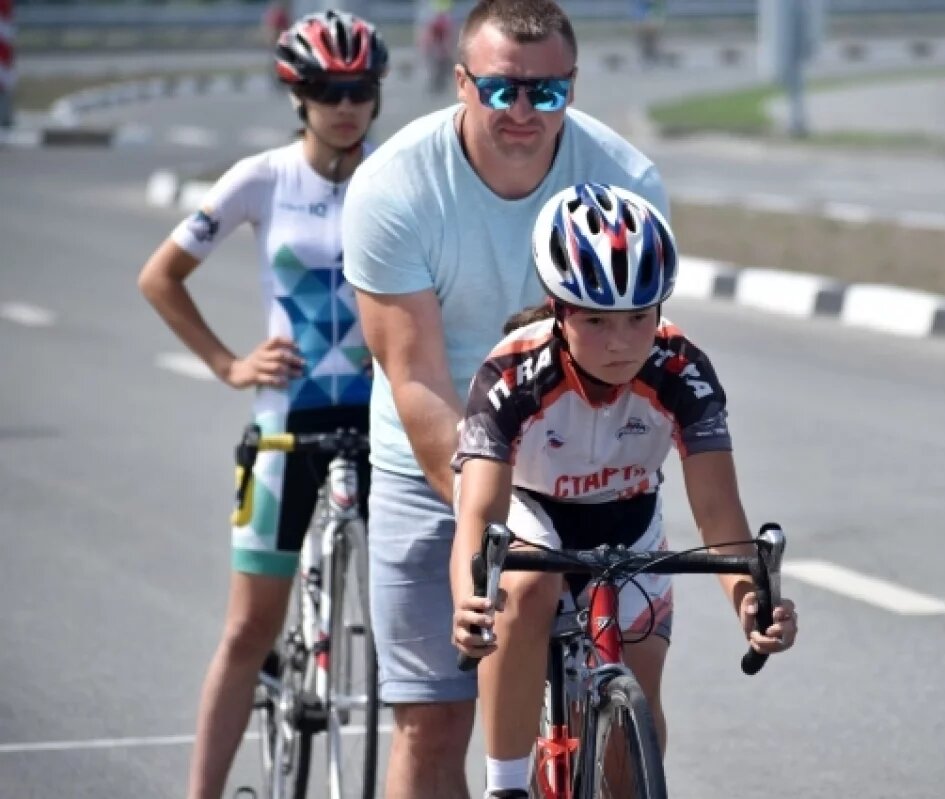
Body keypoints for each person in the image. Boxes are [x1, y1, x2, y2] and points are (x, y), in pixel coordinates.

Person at [341, 1, 669, 796]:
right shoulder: (394, 188)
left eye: (547, 94)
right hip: (439, 469)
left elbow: (645, 355)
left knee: (632, 715)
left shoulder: (626, 180)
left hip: (584, 466)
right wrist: (495, 517)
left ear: (573, 88)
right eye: (501, 90)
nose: (523, 112)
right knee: (434, 723)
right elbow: (415, 380)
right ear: (462, 83)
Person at [449, 183, 799, 799]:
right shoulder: (510, 375)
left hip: (631, 524)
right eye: (597, 321)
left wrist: (750, 600)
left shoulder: (682, 371)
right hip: (536, 522)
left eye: (641, 317)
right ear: (559, 310)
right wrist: (470, 603)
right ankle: (505, 787)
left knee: (630, 747)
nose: (622, 342)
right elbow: (478, 516)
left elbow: (719, 511)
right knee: (524, 589)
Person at [136, 10, 388, 798]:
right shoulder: (262, 178)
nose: (344, 105)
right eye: (324, 89)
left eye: (359, 89)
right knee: (249, 629)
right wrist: (228, 363)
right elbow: (160, 276)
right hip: (286, 432)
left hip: (384, 428)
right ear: (297, 95)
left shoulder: (397, 175)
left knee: (416, 635)